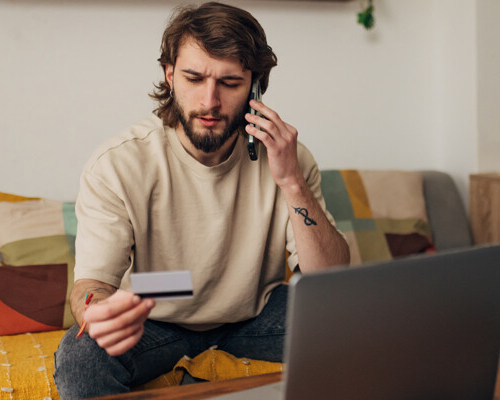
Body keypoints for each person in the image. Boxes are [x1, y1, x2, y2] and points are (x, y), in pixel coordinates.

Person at [53, 2, 350, 398]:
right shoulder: (119, 164)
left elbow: (329, 279)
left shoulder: (287, 160)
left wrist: (292, 182)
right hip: (155, 319)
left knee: (359, 320)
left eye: (230, 83)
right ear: (170, 76)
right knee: (80, 354)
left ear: (256, 86)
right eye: (194, 78)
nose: (209, 102)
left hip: (253, 313)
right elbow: (92, 285)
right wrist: (96, 311)